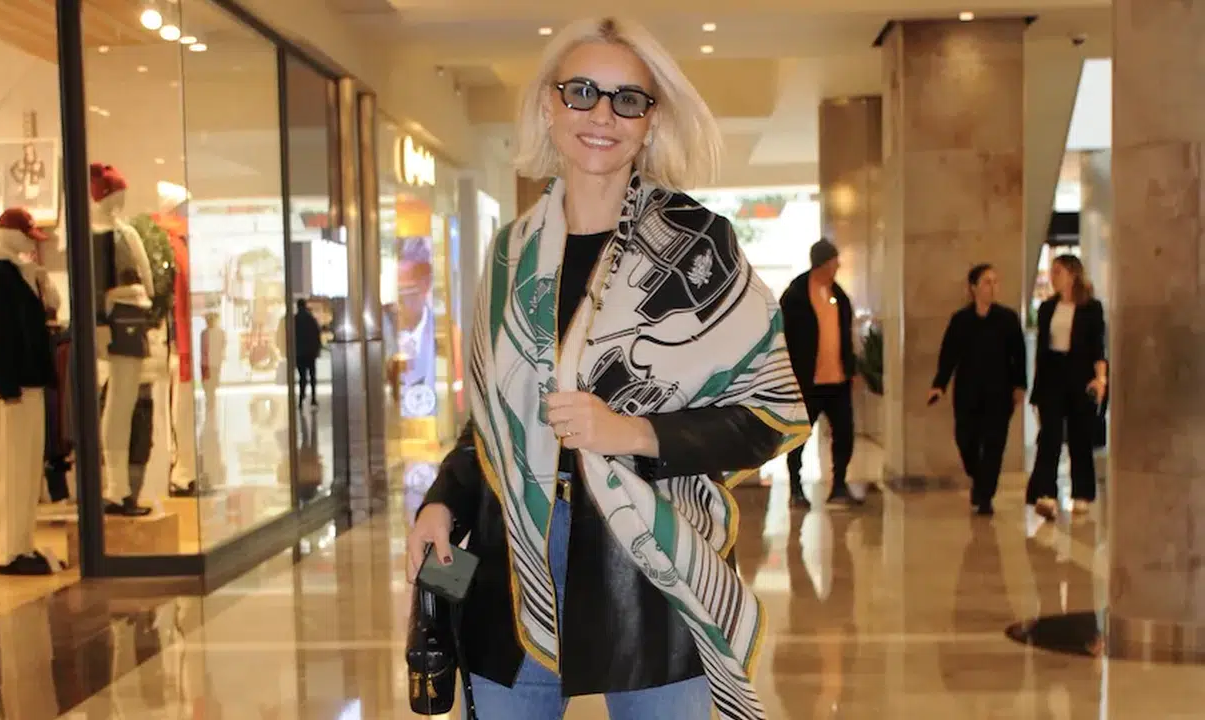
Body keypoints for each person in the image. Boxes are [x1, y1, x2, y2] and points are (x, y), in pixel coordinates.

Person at [405, 17, 810, 720]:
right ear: (549, 106)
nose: (602, 115)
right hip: (513, 561)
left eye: (628, 100)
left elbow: (767, 412)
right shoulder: (509, 258)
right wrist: (443, 500)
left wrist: (632, 433)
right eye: (582, 92)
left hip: (649, 570)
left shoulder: (698, 248)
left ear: (652, 123)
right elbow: (493, 425)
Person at [927, 264, 1027, 516]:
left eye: (995, 282)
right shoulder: (961, 320)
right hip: (968, 392)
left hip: (999, 393)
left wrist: (1020, 385)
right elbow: (948, 355)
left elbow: (1019, 355)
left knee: (994, 445)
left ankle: (985, 496)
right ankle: (979, 478)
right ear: (973, 288)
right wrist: (939, 385)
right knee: (966, 439)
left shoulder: (1007, 319)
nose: (992, 287)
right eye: (986, 282)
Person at [780, 239, 859, 508]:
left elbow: (846, 336)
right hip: (806, 382)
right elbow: (783, 338)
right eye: (834, 261)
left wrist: (851, 369)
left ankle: (839, 486)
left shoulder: (840, 296)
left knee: (844, 434)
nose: (838, 266)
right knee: (798, 437)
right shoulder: (795, 296)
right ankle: (796, 488)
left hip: (837, 381)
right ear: (822, 263)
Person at [1027, 254, 1106, 520]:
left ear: (1073, 274)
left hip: (1080, 375)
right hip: (1052, 375)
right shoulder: (1047, 308)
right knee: (1049, 435)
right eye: (1052, 271)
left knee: (1079, 435)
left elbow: (1098, 347)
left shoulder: (1091, 308)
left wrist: (1100, 379)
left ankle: (1082, 493)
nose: (1053, 277)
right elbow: (1041, 351)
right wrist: (1037, 390)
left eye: (1058, 271)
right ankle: (1045, 493)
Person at [293, 299, 322, 407]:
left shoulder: (295, 320)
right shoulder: (311, 319)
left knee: (302, 377)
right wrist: (317, 349)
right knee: (312, 376)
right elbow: (317, 335)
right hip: (310, 352)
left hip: (299, 353)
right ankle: (313, 398)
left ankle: (301, 398)